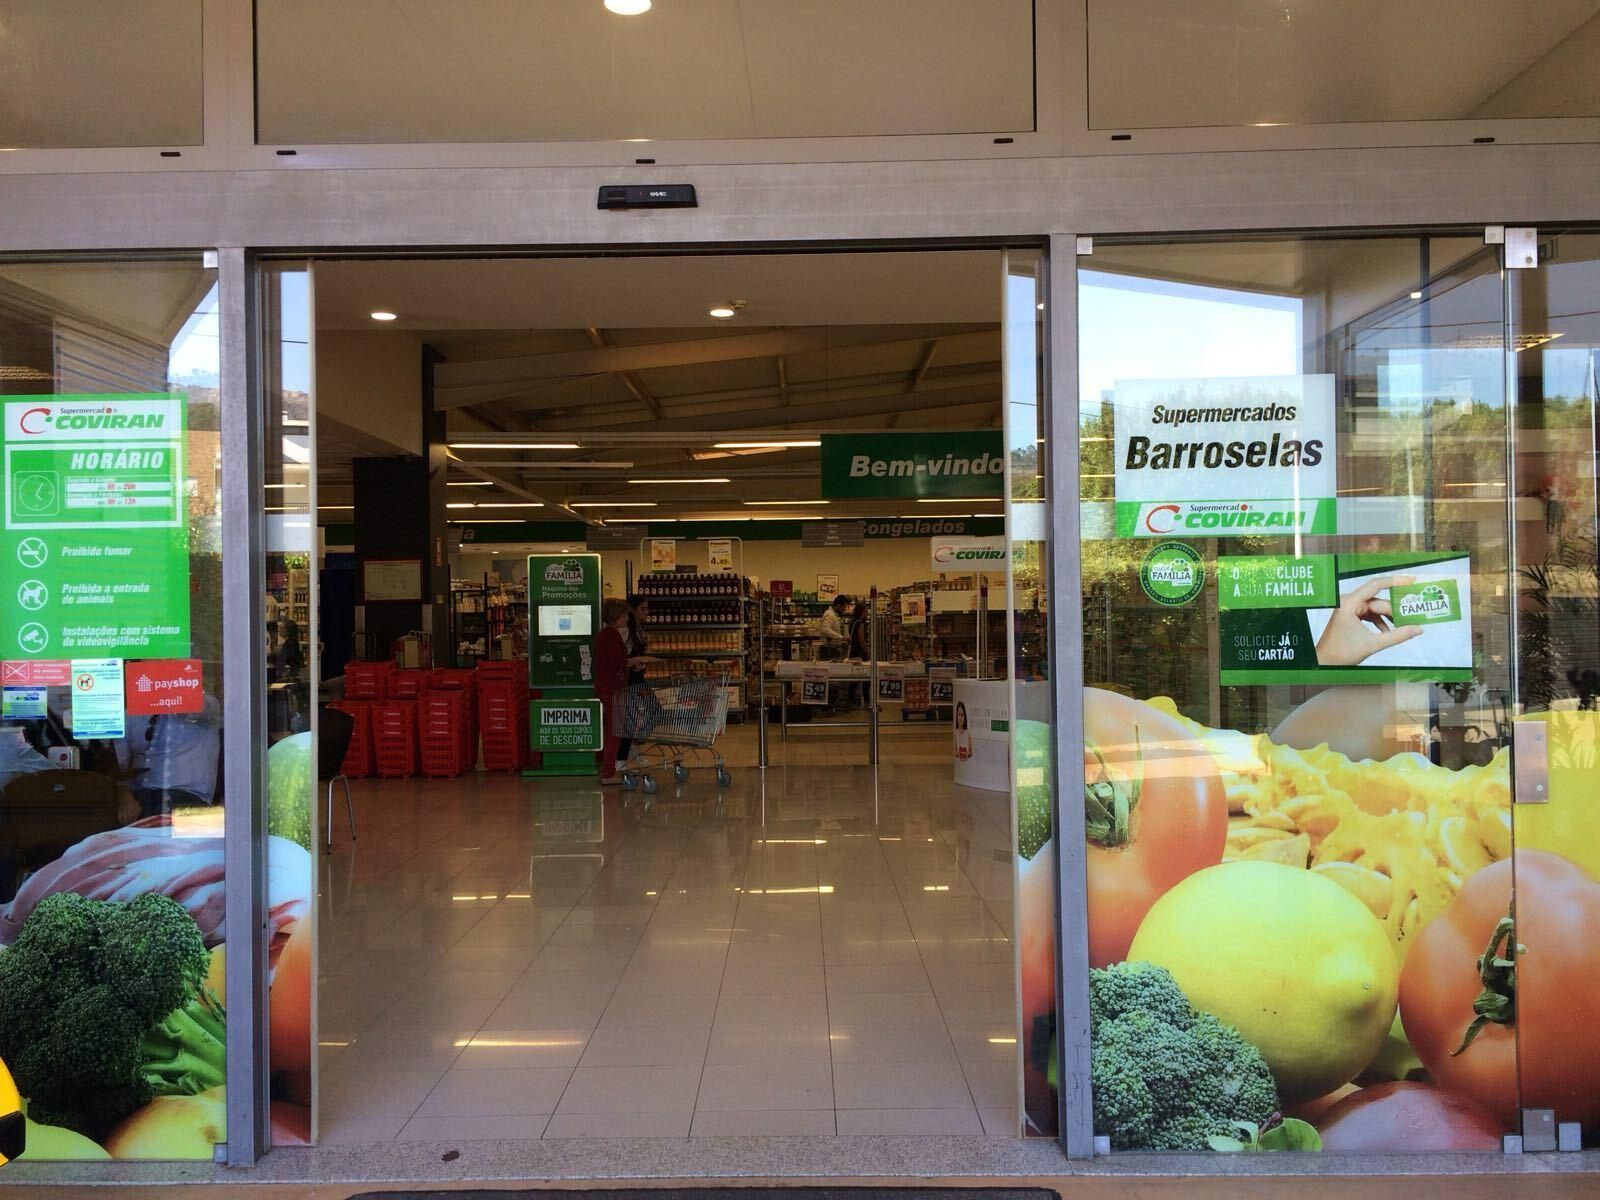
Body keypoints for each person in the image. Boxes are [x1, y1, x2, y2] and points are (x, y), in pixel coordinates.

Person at [594, 596, 632, 784]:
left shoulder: (605, 634)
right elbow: (617, 661)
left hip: (607, 687)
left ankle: (608, 770)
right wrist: (638, 661)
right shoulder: (610, 635)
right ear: (616, 616)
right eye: (624, 616)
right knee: (614, 732)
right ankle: (609, 773)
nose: (626, 619)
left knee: (613, 729)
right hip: (612, 689)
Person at [615, 594, 655, 771]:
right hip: (628, 679)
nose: (647, 612)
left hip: (638, 676)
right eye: (643, 609)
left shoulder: (640, 628)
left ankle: (634, 748)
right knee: (628, 718)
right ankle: (621, 758)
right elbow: (621, 656)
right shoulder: (624, 630)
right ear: (632, 610)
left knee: (652, 710)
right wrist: (636, 661)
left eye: (647, 608)